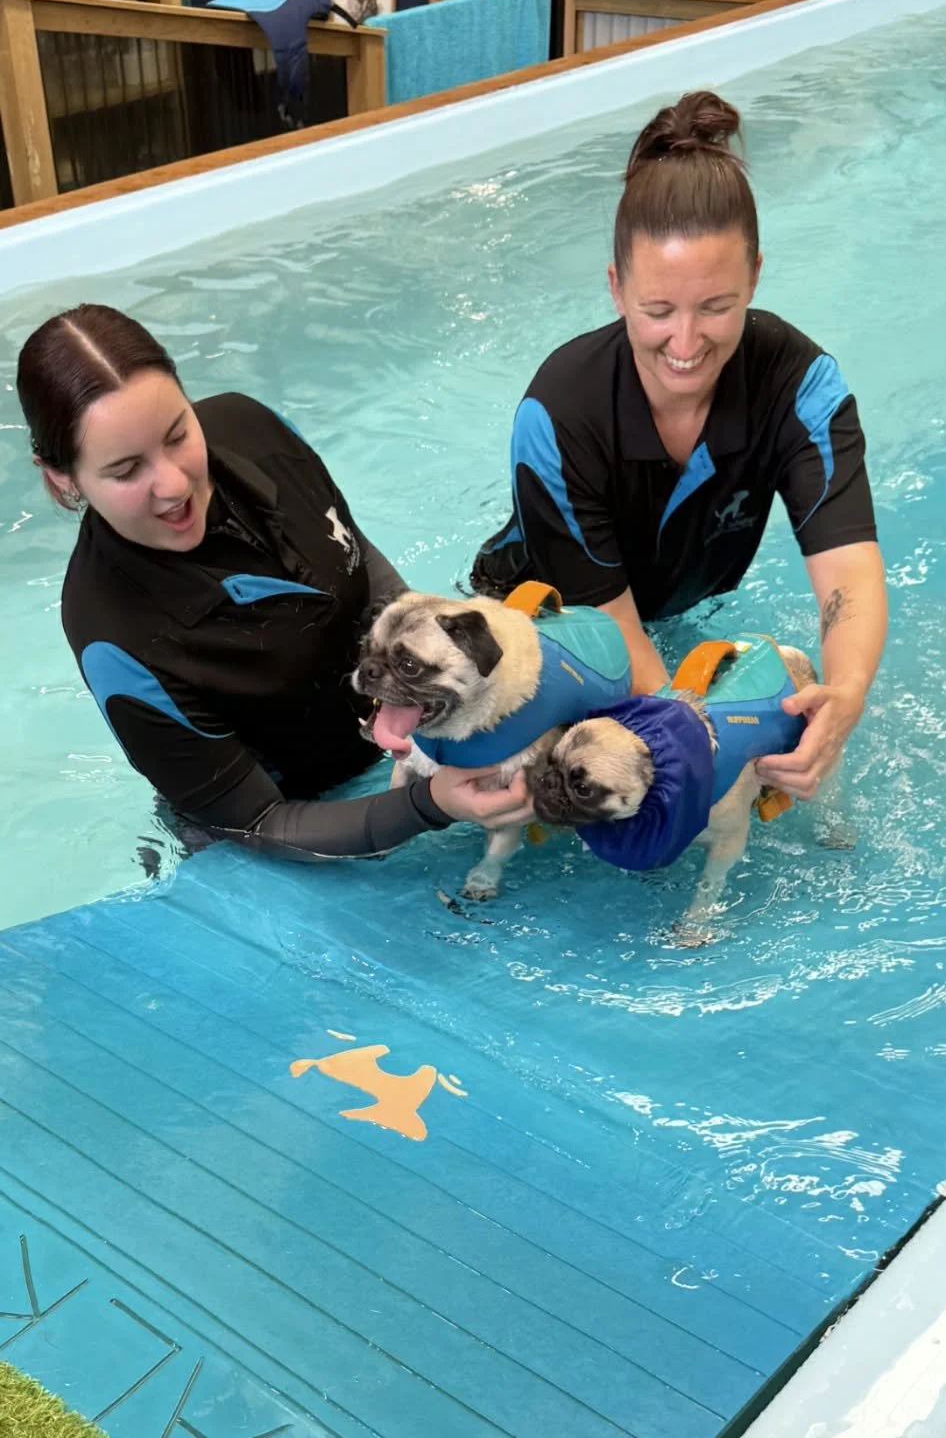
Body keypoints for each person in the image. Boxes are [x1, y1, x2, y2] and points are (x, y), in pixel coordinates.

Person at [471, 91, 887, 801]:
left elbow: (848, 569)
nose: (688, 344)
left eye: (718, 307)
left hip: (671, 604)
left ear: (755, 274)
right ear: (616, 288)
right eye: (658, 311)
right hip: (557, 620)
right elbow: (616, 640)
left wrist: (843, 695)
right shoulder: (560, 413)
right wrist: (704, 744)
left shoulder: (800, 385)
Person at [17, 305, 530, 864]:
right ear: (61, 476)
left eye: (178, 432)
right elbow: (256, 822)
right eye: (125, 471)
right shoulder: (113, 635)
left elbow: (359, 562)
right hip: (278, 828)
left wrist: (427, 684)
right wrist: (429, 805)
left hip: (396, 743)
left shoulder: (253, 427)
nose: (173, 483)